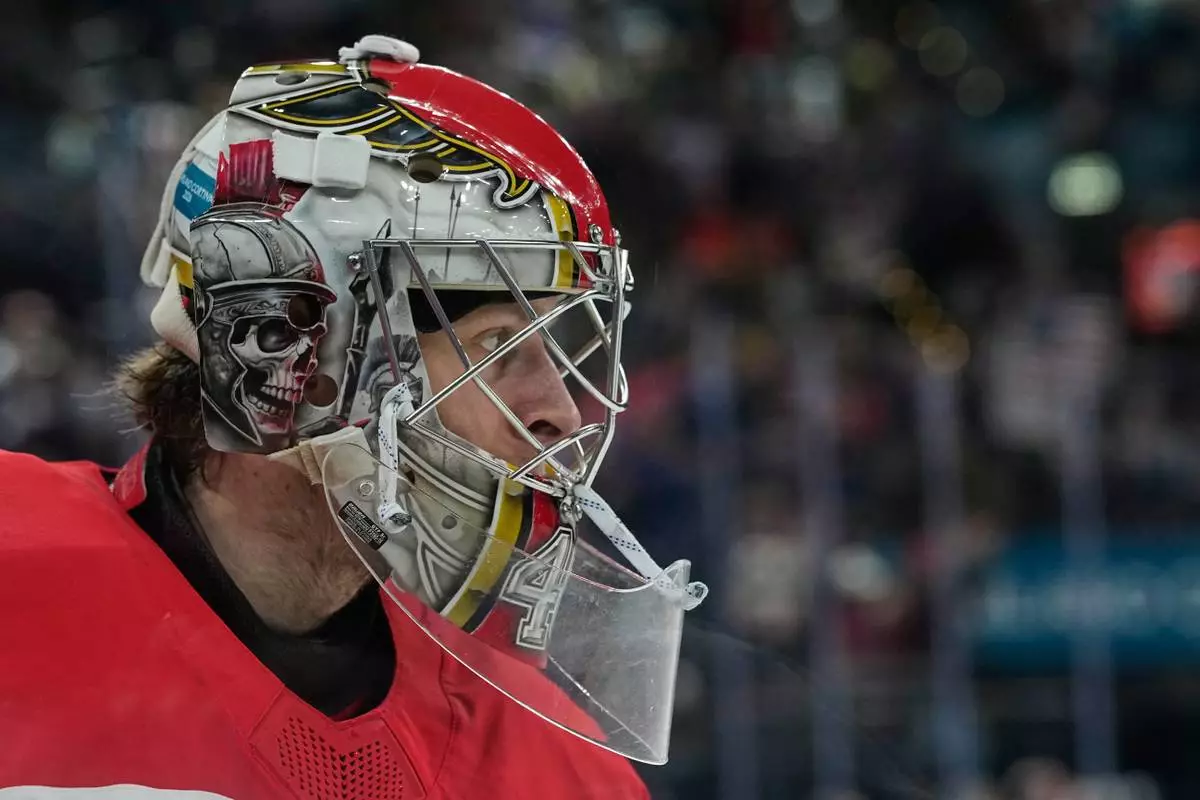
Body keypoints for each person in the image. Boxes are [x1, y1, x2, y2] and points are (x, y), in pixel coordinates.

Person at [0, 35, 706, 800]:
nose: (560, 414)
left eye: (554, 345)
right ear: (287, 345)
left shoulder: (560, 771)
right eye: (497, 344)